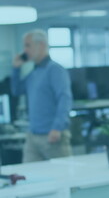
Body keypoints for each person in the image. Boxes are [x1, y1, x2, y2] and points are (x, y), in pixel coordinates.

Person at [11, 29, 73, 162]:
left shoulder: (55, 70)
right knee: (29, 177)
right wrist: (16, 68)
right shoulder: (34, 73)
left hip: (52, 135)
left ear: (42, 45)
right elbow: (16, 90)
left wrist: (57, 128)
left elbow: (64, 99)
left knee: (61, 178)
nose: (25, 50)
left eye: (28, 45)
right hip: (33, 136)